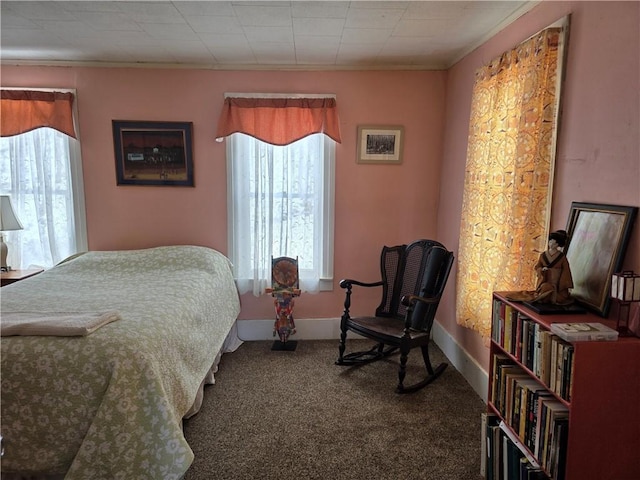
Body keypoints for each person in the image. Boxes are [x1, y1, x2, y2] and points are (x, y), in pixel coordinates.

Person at [506, 229, 574, 305]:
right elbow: (538, 266)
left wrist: (562, 284)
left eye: (553, 241)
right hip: (545, 280)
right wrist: (541, 270)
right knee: (545, 287)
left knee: (558, 297)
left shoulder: (562, 257)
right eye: (550, 241)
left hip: (557, 284)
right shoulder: (543, 255)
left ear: (557, 244)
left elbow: (566, 271)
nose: (550, 243)